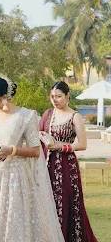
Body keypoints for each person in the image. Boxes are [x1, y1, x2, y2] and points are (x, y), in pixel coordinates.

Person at [0, 77, 64, 242]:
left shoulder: (25, 116)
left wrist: (11, 150)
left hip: (14, 179)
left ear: (4, 97)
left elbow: (35, 151)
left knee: (10, 222)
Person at [39, 81, 97, 242]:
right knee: (48, 204)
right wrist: (44, 139)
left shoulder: (75, 116)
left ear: (67, 96)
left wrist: (59, 146)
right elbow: (38, 135)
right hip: (47, 166)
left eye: (58, 96)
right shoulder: (48, 114)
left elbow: (82, 144)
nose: (55, 100)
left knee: (67, 203)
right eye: (52, 96)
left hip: (67, 167)